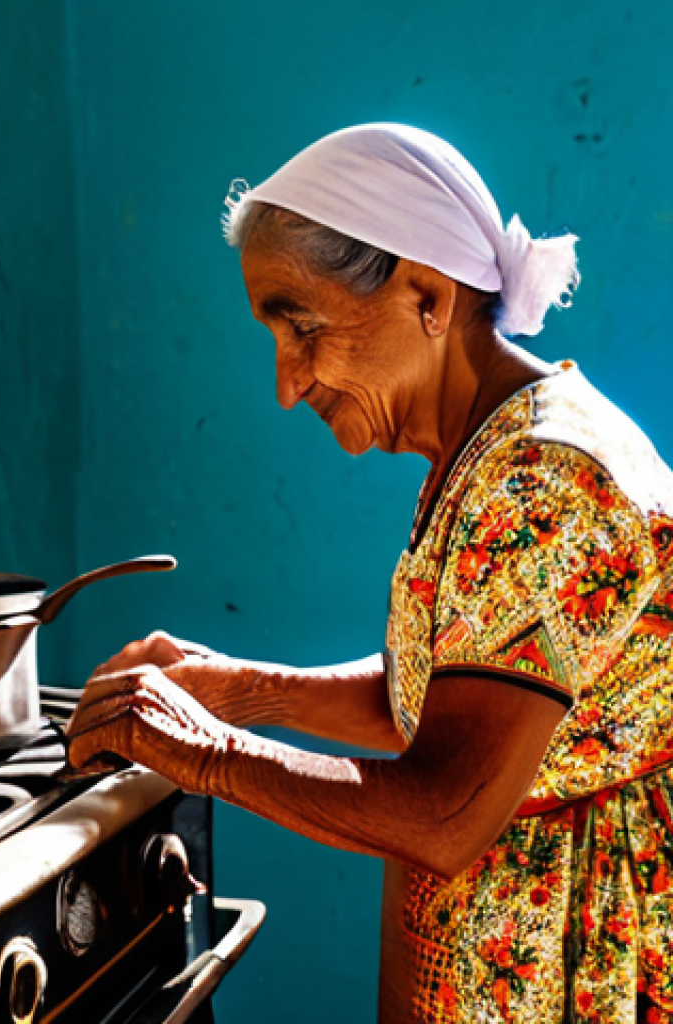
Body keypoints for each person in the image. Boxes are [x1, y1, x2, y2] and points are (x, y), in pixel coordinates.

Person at [66, 123, 673, 1023]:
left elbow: (446, 809)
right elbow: (451, 703)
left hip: (578, 969)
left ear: (427, 294)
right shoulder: (488, 449)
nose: (286, 382)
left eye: (302, 326)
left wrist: (206, 752)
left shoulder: (544, 477)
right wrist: (244, 689)